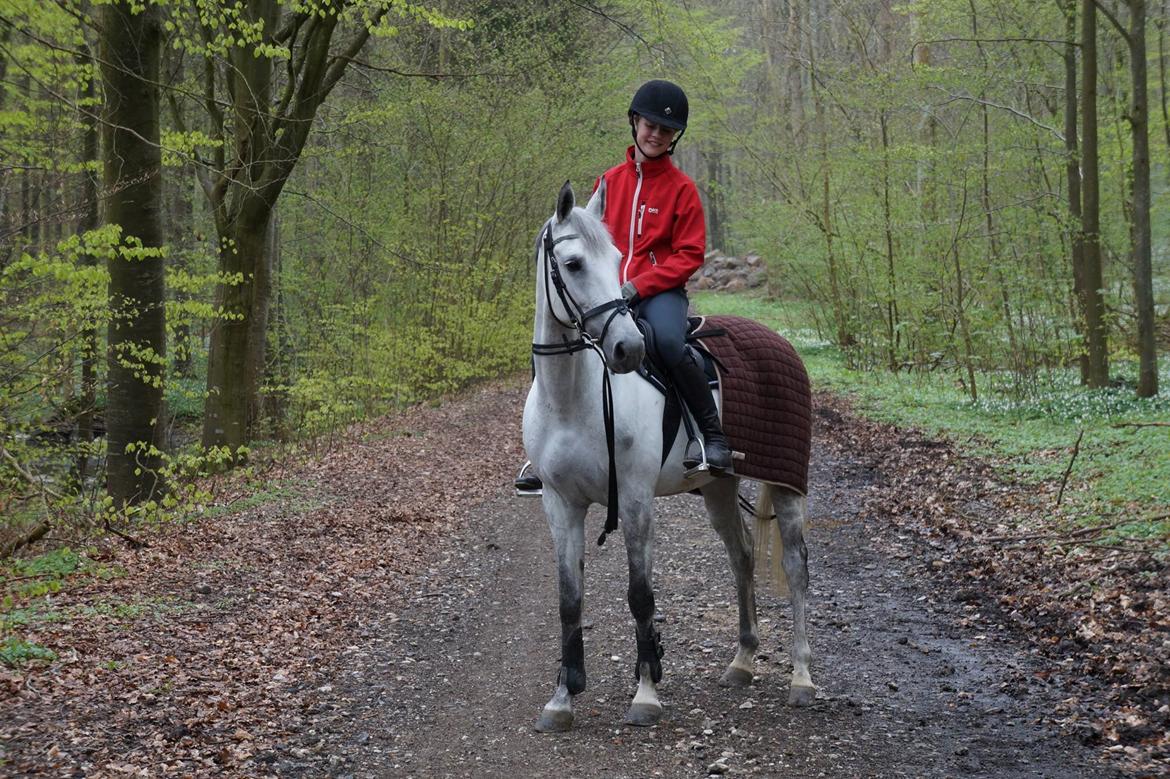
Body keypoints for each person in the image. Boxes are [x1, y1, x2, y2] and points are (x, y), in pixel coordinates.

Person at [516, 79, 731, 495]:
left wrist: (640, 285)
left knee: (669, 342)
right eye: (649, 125)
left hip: (659, 294)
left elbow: (689, 255)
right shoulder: (609, 181)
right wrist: (609, 286)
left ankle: (709, 435)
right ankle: (542, 453)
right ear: (634, 123)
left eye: (665, 131)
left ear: (674, 138)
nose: (655, 134)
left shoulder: (682, 190)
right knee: (555, 344)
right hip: (606, 292)